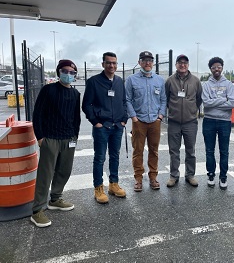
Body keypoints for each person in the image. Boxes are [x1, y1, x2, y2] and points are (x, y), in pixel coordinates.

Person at [30, 59, 81, 227]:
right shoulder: (48, 90)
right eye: (65, 71)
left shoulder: (75, 94)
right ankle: (37, 210)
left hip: (68, 138)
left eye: (72, 72)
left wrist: (75, 136)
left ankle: (55, 199)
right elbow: (38, 114)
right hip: (50, 138)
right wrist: (40, 137)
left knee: (64, 171)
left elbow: (76, 118)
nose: (68, 74)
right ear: (59, 72)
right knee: (45, 174)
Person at [82, 52, 128, 204]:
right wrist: (95, 121)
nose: (112, 66)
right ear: (103, 64)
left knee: (115, 156)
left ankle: (113, 184)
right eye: (109, 63)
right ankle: (98, 188)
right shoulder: (94, 82)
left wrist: (124, 119)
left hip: (117, 126)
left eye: (114, 63)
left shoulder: (120, 81)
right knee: (100, 158)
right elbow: (86, 105)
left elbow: (124, 101)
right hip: (102, 127)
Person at [126, 51, 167, 192]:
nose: (147, 63)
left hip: (155, 121)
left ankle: (153, 176)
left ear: (153, 63)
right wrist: (134, 118)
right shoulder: (131, 80)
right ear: (139, 62)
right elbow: (127, 100)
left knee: (154, 151)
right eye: (144, 60)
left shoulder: (159, 80)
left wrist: (160, 116)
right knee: (137, 151)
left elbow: (163, 99)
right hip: (139, 121)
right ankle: (138, 178)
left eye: (150, 60)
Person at [165, 54, 202, 187]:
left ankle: (190, 175)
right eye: (180, 62)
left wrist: (191, 110)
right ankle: (174, 175)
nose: (182, 65)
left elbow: (199, 99)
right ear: (176, 64)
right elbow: (166, 98)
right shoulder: (169, 81)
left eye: (185, 63)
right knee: (174, 150)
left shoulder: (196, 81)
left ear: (188, 65)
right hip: (174, 122)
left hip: (190, 122)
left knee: (190, 150)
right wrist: (174, 110)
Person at [202, 57, 234, 190]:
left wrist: (215, 100)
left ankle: (223, 176)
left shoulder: (228, 84)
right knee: (209, 150)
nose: (217, 69)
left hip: (224, 122)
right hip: (209, 120)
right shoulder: (206, 85)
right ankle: (210, 174)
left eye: (219, 67)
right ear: (210, 69)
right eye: (214, 67)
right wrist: (223, 100)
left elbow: (231, 103)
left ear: (222, 68)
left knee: (224, 151)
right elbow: (206, 103)